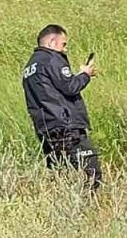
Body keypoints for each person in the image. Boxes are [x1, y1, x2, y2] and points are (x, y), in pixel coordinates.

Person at [22, 24, 101, 191]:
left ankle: (63, 203)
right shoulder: (52, 59)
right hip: (65, 125)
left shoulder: (30, 67)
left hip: (46, 128)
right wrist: (85, 75)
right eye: (63, 44)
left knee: (61, 173)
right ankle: (88, 204)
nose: (65, 49)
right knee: (90, 171)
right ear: (51, 42)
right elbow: (70, 87)